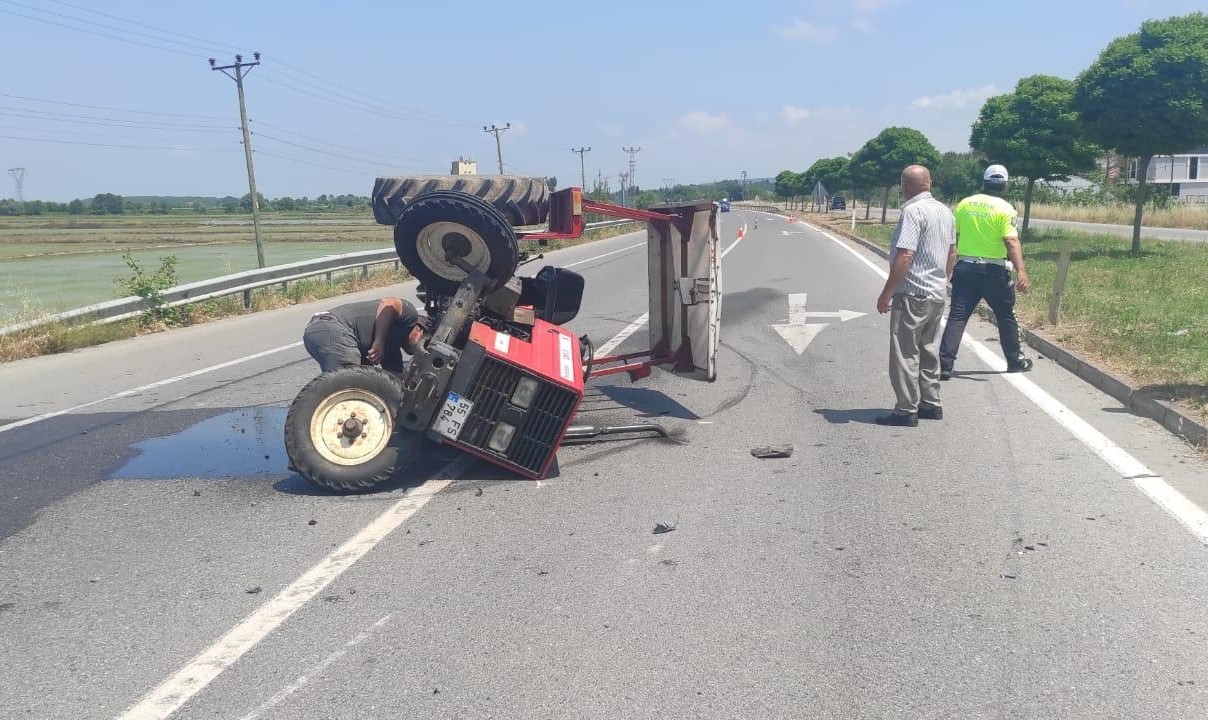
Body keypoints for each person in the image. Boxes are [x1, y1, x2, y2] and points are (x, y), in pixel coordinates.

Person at [874, 164, 956, 427]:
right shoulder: (945, 211)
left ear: (904, 186)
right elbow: (953, 253)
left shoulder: (912, 211)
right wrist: (943, 279)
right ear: (930, 183)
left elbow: (906, 254)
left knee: (905, 351)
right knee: (929, 349)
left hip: (912, 292)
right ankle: (931, 403)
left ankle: (906, 408)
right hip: (936, 292)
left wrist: (887, 292)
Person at [938, 164, 1033, 380]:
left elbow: (954, 239)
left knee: (958, 316)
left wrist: (948, 269)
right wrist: (1021, 271)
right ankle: (1014, 360)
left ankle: (945, 364)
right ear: (1005, 184)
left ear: (984, 181)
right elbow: (1010, 240)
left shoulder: (964, 204)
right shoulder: (1005, 208)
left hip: (966, 267)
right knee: (1005, 316)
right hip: (994, 270)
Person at [303, 297, 428, 375]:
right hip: (330, 326)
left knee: (361, 381)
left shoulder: (391, 349)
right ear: (419, 330)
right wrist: (378, 341)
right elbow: (389, 304)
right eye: (425, 343)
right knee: (350, 382)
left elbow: (395, 379)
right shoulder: (410, 316)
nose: (421, 350)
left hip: (320, 333)